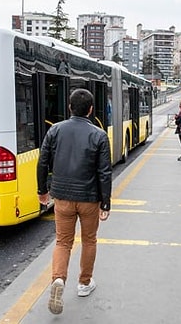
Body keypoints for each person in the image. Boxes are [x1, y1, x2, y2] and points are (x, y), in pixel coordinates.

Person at [36, 88, 112, 315]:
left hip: (62, 198)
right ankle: (84, 283)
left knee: (62, 242)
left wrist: (42, 190)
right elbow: (104, 173)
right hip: (89, 198)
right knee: (89, 240)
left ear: (69, 107)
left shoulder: (55, 130)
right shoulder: (99, 135)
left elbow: (43, 162)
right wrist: (105, 203)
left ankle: (58, 280)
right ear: (91, 110)